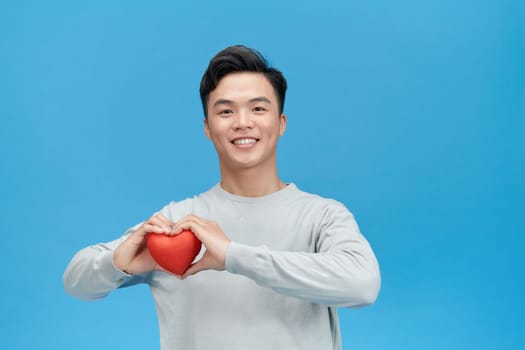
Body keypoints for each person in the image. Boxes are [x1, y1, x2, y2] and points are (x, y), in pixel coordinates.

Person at [63, 45, 381, 350]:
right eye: (226, 111)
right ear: (207, 127)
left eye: (258, 108)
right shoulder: (177, 222)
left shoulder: (321, 216)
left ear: (281, 123)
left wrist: (232, 256)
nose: (243, 122)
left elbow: (362, 285)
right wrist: (121, 261)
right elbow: (76, 282)